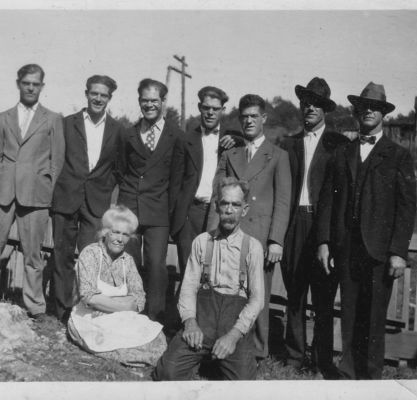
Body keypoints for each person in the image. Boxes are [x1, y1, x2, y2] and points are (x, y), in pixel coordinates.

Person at [315, 82, 416, 379]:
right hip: (347, 247)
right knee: (348, 313)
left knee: (373, 318)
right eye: (364, 107)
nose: (369, 111)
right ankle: (347, 373)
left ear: (382, 113)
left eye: (375, 107)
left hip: (379, 251)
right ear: (357, 112)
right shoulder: (343, 153)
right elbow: (327, 201)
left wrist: (398, 252)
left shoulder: (398, 155)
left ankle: (370, 378)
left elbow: (406, 207)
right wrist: (323, 241)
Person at [0, 64, 64, 320]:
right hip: (2, 194)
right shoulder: (3, 118)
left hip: (36, 196)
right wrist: (2, 179)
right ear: (18, 84)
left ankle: (35, 306)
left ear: (42, 86)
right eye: (26, 83)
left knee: (33, 254)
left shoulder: (53, 119)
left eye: (36, 84)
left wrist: (45, 187)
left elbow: (57, 161)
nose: (31, 88)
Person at [154, 178, 264, 380]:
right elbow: (188, 288)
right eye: (225, 203)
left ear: (245, 210)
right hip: (202, 321)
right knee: (166, 373)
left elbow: (257, 300)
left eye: (236, 204)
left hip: (233, 325)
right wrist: (190, 323)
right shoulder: (202, 242)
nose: (229, 210)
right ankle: (203, 359)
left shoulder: (253, 247)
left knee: (243, 386)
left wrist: (233, 336)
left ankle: (216, 362)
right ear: (216, 206)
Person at [208, 94, 291, 360]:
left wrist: (276, 239)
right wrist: (211, 235)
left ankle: (257, 352)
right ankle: (229, 348)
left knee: (257, 296)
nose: (249, 121)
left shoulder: (278, 155)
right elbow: (217, 195)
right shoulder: (230, 153)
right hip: (229, 233)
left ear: (263, 118)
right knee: (228, 292)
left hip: (259, 236)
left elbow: (283, 200)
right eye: (244, 117)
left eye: (254, 116)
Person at [278, 77, 348, 377]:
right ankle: (294, 357)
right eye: (306, 102)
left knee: (322, 298)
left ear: (325, 110)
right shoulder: (289, 143)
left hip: (324, 230)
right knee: (295, 294)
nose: (310, 107)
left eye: (316, 103)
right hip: (294, 224)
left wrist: (330, 238)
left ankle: (321, 361)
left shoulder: (339, 145)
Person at [48, 75, 126, 322]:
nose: (98, 99)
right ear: (87, 94)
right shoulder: (67, 123)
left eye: (104, 95)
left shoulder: (117, 130)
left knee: (90, 258)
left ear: (109, 98)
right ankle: (61, 312)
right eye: (95, 93)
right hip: (66, 197)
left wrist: (105, 187)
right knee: (61, 255)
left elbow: (118, 168)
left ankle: (83, 311)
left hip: (96, 202)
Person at [118, 78, 185, 324]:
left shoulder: (176, 136)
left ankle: (154, 318)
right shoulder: (128, 134)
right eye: (145, 101)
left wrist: (169, 212)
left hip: (158, 211)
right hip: (131, 209)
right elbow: (121, 170)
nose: (149, 105)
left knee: (157, 266)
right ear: (139, 102)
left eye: (154, 101)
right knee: (131, 262)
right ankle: (130, 313)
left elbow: (177, 177)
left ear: (163, 102)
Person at [67, 205, 166, 366]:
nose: (120, 239)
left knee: (158, 338)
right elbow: (89, 297)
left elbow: (139, 299)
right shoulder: (90, 253)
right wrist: (124, 304)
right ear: (105, 232)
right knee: (117, 344)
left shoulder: (128, 261)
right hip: (88, 316)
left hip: (117, 317)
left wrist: (106, 306)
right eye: (116, 232)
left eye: (125, 234)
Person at [171, 85, 241, 293]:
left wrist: (238, 140)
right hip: (189, 213)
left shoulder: (231, 139)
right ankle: (186, 322)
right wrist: (177, 217)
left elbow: (250, 144)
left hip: (217, 214)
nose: (211, 112)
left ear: (223, 110)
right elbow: (175, 182)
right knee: (188, 271)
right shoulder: (186, 139)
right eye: (207, 107)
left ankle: (206, 322)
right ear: (200, 107)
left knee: (213, 270)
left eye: (216, 109)